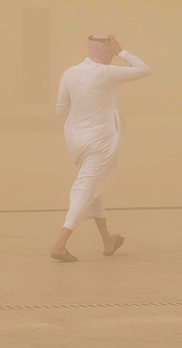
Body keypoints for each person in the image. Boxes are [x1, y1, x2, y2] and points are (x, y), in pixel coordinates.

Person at [51, 34, 152, 262]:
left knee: (95, 185)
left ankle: (108, 240)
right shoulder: (107, 72)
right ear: (107, 49)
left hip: (75, 142)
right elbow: (144, 69)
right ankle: (59, 244)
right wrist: (121, 52)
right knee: (86, 188)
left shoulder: (69, 72)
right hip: (100, 141)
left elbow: (60, 111)